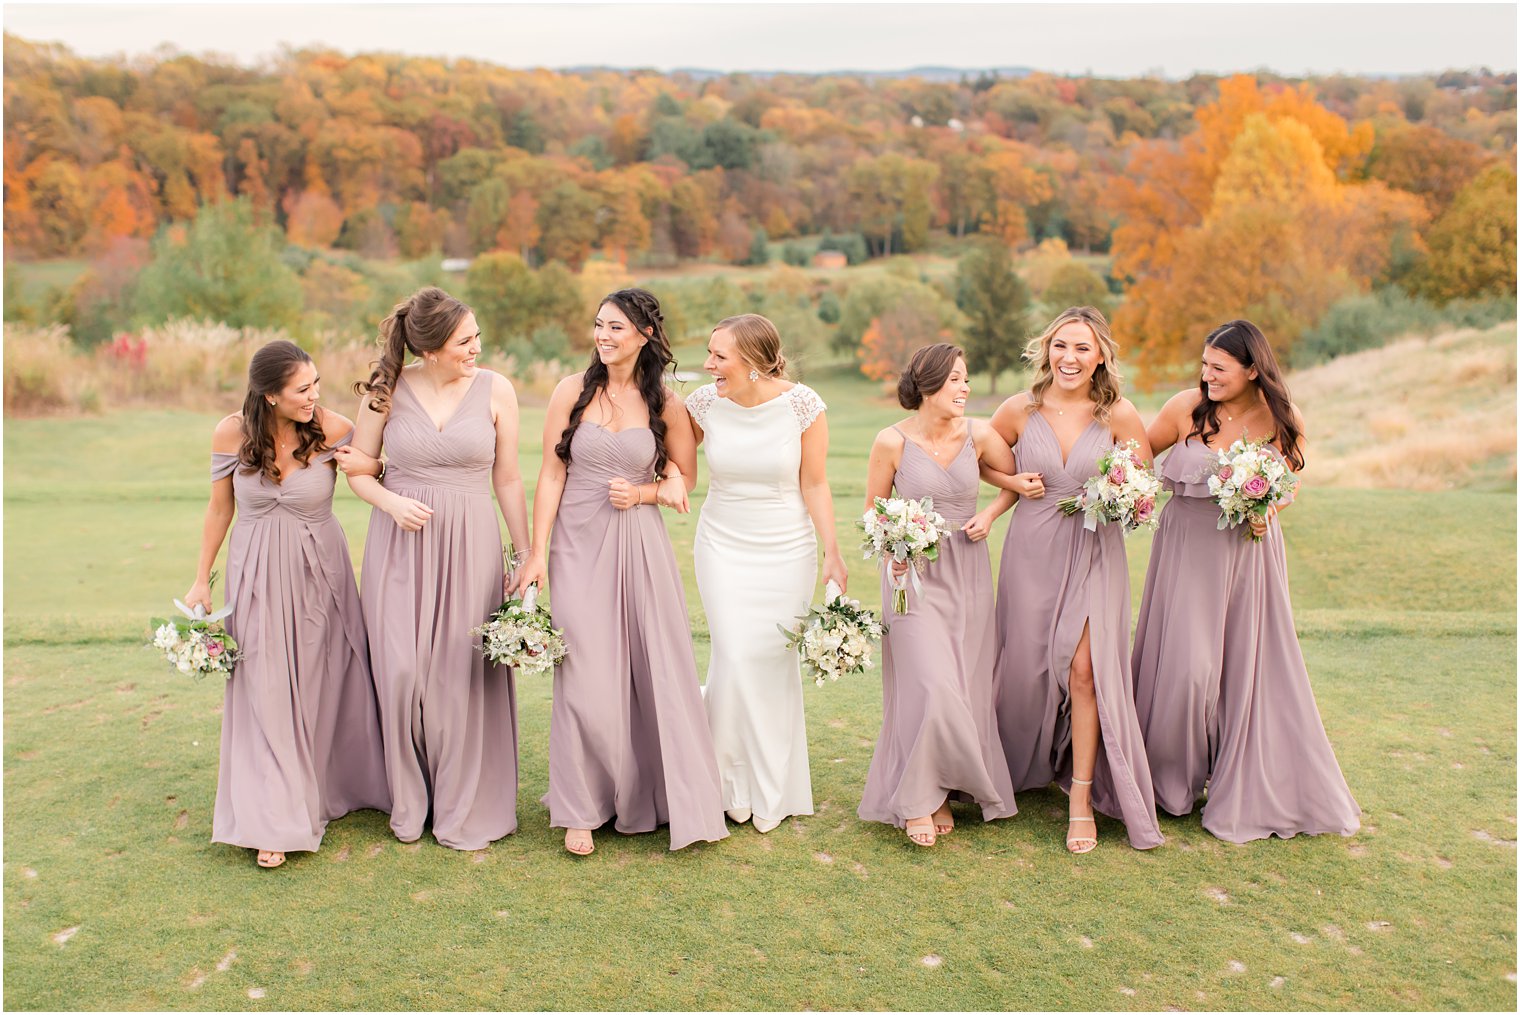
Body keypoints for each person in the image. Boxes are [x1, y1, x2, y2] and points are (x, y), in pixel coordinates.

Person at [514, 289, 728, 856]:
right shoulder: (570, 391)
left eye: (615, 327)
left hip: (638, 542)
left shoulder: (667, 403)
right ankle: (581, 806)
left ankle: (648, 794)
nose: (603, 336)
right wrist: (536, 552)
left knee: (646, 665)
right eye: (598, 325)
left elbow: (685, 479)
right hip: (576, 542)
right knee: (583, 671)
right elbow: (551, 475)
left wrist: (646, 492)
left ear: (644, 335)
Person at [1131, 319, 1360, 842]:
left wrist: (1269, 506)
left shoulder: (1282, 416)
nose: (1207, 375)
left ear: (1253, 369)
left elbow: (1287, 484)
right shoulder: (1185, 408)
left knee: (1247, 667)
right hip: (1187, 552)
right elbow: (1138, 461)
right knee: (1188, 668)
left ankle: (1244, 779)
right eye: (1205, 364)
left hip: (1249, 554)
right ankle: (1171, 783)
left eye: (1220, 368)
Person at [338, 286, 530, 851]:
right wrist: (391, 502)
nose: (477, 347)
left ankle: (461, 802)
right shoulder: (386, 391)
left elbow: (510, 478)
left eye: (475, 337)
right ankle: (409, 797)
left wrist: (524, 557)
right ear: (431, 348)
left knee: (457, 678)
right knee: (400, 672)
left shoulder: (498, 390)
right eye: (464, 341)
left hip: (471, 543)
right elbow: (360, 471)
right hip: (399, 545)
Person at [186, 339, 389, 869]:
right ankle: (274, 815)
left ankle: (321, 787)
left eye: (316, 384)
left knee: (321, 678)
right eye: (303, 389)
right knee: (265, 686)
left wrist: (377, 465)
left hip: (320, 573)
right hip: (253, 574)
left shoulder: (333, 427)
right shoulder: (230, 432)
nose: (314, 396)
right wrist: (200, 580)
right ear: (270, 395)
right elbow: (217, 511)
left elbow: (376, 469)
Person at [986, 307, 1163, 853]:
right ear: (1047, 349)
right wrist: (1012, 479)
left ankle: (1081, 797)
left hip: (1094, 551)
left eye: (1083, 348)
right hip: (1032, 548)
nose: (1070, 358)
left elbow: (1145, 487)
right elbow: (979, 461)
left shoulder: (1120, 415)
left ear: (1102, 355)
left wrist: (1123, 499)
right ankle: (1020, 763)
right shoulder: (1019, 409)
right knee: (1026, 665)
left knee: (1085, 672)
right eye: (1061, 346)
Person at [686, 314, 846, 833]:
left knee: (772, 665)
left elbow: (816, 484)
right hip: (722, 543)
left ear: (753, 362)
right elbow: (676, 465)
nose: (708, 365)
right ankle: (723, 786)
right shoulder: (702, 404)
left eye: (719, 356)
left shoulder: (803, 405)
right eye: (709, 354)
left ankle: (771, 789)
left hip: (786, 546)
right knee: (731, 656)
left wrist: (833, 552)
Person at [857, 343, 1020, 846]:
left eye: (966, 379)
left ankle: (943, 790)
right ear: (926, 384)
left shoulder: (982, 434)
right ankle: (918, 801)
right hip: (911, 577)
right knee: (929, 684)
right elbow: (872, 513)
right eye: (955, 380)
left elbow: (1011, 482)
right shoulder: (891, 441)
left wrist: (989, 515)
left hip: (968, 571)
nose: (964, 389)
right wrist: (894, 549)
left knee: (963, 684)